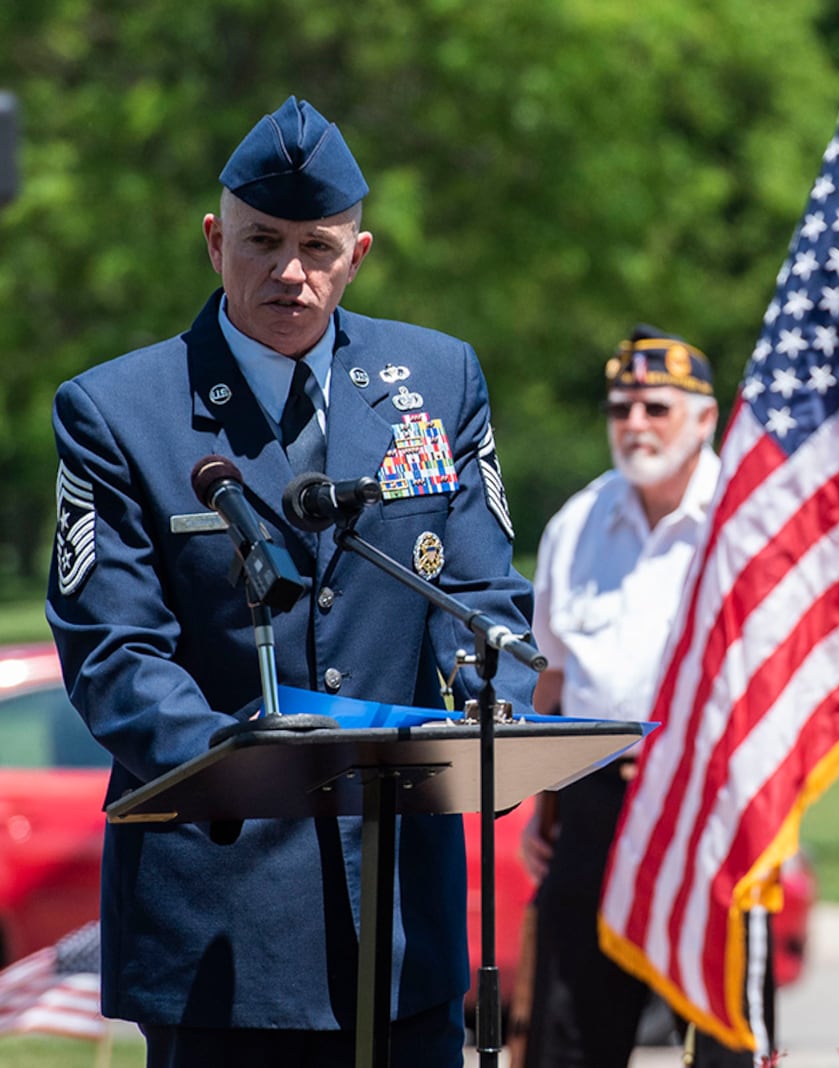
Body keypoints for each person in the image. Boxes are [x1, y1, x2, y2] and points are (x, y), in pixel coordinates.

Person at [45, 96, 536, 1067]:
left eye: (317, 247)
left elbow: (480, 594)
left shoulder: (435, 383)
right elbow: (115, 653)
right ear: (213, 240)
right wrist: (241, 763)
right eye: (262, 242)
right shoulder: (118, 411)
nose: (290, 273)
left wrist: (497, 711)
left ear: (357, 256)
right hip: (222, 919)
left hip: (404, 925)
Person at [519, 326, 775, 1068]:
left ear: (705, 418)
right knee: (566, 1038)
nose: (634, 425)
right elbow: (553, 681)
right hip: (597, 802)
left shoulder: (750, 518)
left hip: (711, 804)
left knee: (724, 1044)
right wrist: (547, 805)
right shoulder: (578, 522)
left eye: (655, 408)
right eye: (621, 408)